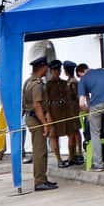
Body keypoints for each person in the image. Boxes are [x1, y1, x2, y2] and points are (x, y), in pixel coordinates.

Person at [23, 56, 58, 191]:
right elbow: (37, 106)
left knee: (40, 151)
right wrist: (45, 123)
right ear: (42, 68)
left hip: (32, 118)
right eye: (46, 68)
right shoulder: (37, 84)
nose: (47, 70)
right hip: (36, 119)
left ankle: (42, 178)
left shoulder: (28, 82)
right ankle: (40, 181)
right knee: (40, 152)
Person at [77, 64, 104, 171]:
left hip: (96, 106)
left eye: (79, 76)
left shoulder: (83, 79)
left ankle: (98, 165)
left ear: (81, 72)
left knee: (95, 134)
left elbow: (81, 103)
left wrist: (88, 110)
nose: (80, 78)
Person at [63, 61, 84, 166]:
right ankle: (73, 154)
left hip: (73, 110)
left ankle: (79, 153)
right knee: (72, 132)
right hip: (69, 110)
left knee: (75, 131)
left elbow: (77, 96)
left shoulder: (73, 82)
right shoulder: (69, 81)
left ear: (66, 71)